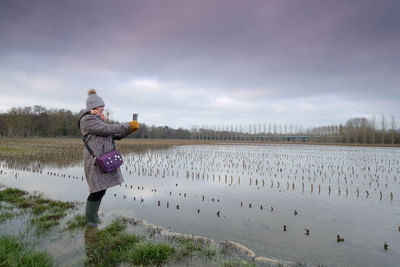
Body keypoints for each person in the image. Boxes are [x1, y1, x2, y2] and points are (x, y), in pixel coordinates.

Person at [78, 89, 139, 227]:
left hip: (102, 159)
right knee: (96, 190)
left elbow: (113, 135)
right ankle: (91, 222)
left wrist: (129, 131)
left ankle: (94, 218)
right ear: (93, 107)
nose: (103, 108)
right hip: (95, 161)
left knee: (101, 189)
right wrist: (128, 125)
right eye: (101, 106)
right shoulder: (87, 120)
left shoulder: (97, 120)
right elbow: (107, 130)